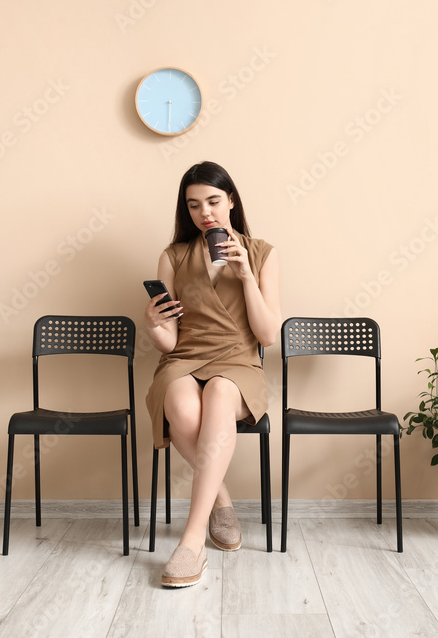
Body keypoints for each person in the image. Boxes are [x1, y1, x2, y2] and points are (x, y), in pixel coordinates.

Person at [144, 161, 281, 588]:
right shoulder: (174, 256)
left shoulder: (261, 252)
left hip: (238, 361)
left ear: (232, 201)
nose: (205, 213)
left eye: (214, 201)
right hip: (183, 359)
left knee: (221, 392)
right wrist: (152, 323)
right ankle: (219, 498)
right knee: (183, 412)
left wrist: (246, 277)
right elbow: (169, 341)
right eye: (194, 205)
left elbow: (267, 335)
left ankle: (191, 542)